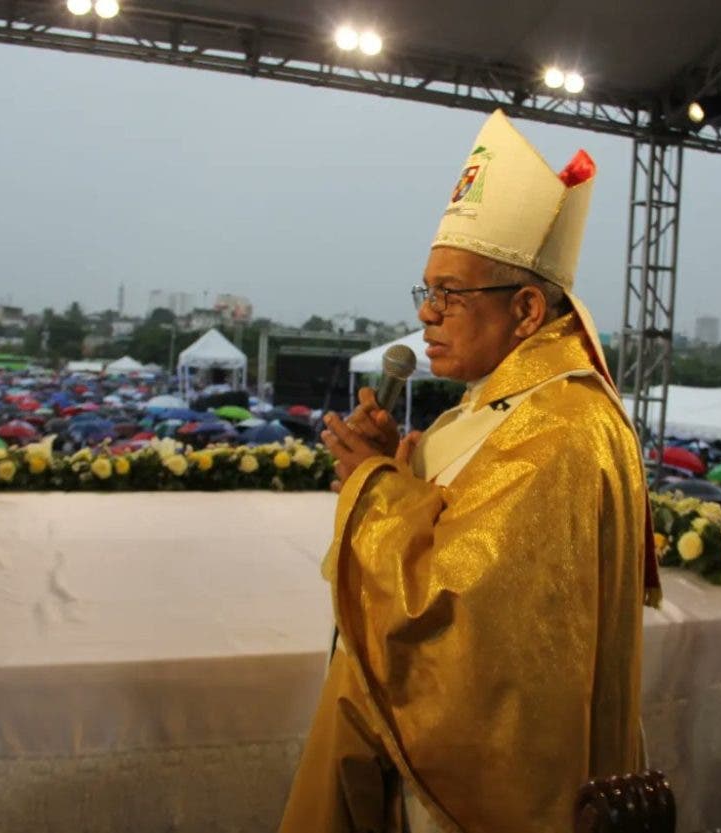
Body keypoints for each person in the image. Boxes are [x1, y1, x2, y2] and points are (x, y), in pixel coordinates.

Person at [279, 110, 655, 833]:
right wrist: (397, 463)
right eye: (425, 290)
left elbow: (461, 610)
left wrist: (375, 486)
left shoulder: (564, 424)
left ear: (525, 309)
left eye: (451, 293)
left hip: (475, 794)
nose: (427, 314)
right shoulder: (486, 410)